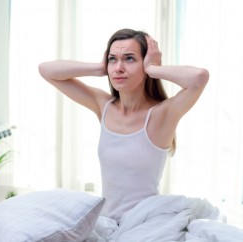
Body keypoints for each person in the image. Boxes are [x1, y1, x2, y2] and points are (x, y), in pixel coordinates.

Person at [38, 28, 209, 222]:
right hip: (107, 221)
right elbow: (46, 70)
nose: (119, 67)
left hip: (145, 224)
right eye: (113, 59)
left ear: (144, 64)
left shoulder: (162, 115)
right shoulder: (104, 106)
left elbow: (199, 77)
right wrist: (99, 68)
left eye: (129, 59)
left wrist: (153, 69)